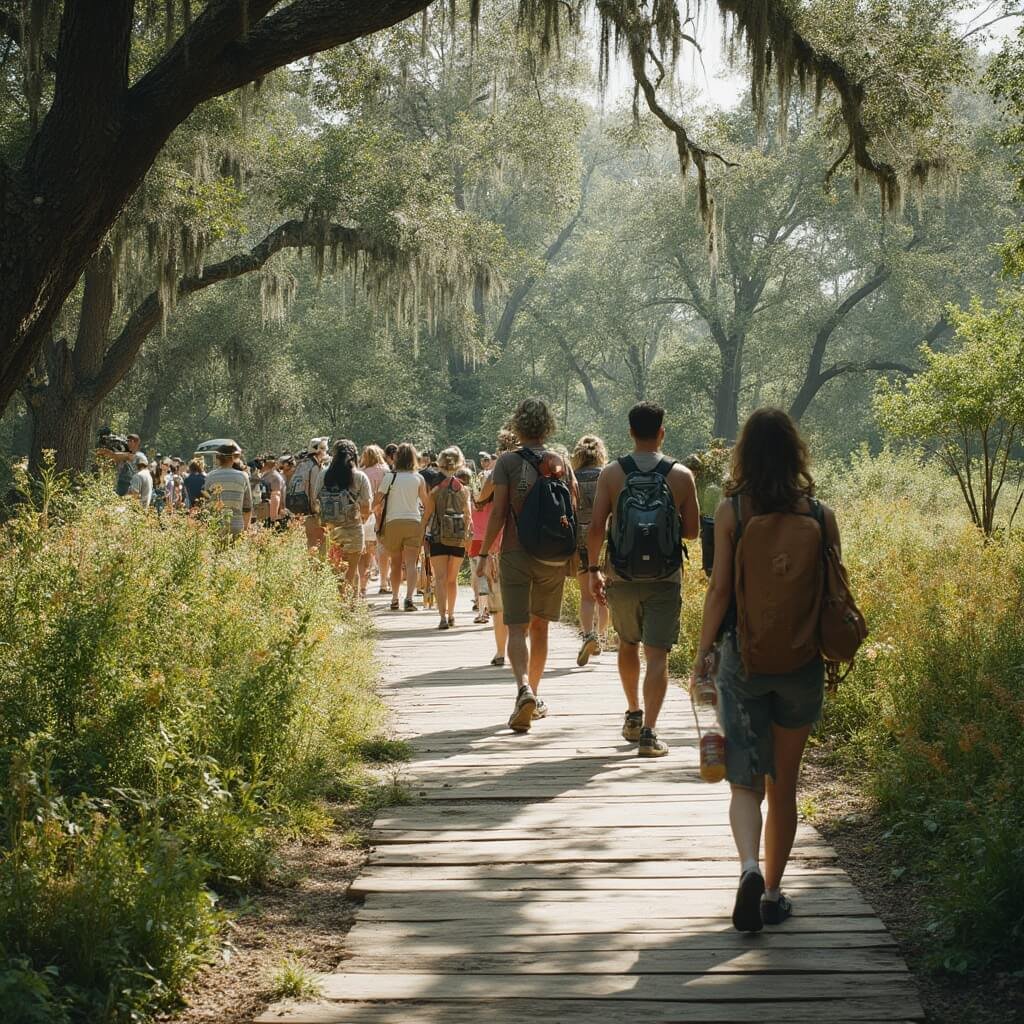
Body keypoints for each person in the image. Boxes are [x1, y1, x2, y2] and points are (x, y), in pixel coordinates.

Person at [691, 408, 839, 933]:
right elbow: (833, 594)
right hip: (801, 664)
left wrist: (704, 651)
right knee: (786, 785)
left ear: (745, 454)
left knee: (745, 782)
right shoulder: (820, 515)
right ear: (795, 452)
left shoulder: (731, 510)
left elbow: (721, 590)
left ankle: (748, 869)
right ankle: (774, 895)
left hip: (743, 660)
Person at [589, 402, 699, 758]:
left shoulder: (612, 473)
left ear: (630, 432)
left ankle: (633, 714)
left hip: (620, 575)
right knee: (657, 656)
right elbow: (693, 532)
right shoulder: (681, 475)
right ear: (662, 432)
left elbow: (595, 529)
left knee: (626, 644)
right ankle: (650, 733)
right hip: (666, 578)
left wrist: (593, 571)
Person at [477, 398, 577, 733]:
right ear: (547, 425)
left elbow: (499, 512)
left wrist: (482, 554)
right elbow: (572, 510)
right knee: (541, 628)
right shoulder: (560, 461)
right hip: (552, 557)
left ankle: (523, 690)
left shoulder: (507, 461)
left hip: (515, 552)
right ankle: (537, 694)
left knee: (516, 627)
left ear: (518, 425)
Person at [421, 448, 473, 630]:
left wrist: (421, 536)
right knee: (453, 579)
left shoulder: (435, 491)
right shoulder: (464, 490)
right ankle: (452, 615)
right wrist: (467, 538)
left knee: (440, 578)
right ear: (459, 464)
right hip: (458, 538)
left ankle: (442, 617)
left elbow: (427, 515)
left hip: (438, 537)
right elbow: (468, 516)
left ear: (440, 465)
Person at [374, 443, 429, 612]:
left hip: (393, 523)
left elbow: (377, 500)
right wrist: (425, 521)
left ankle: (394, 598)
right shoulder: (418, 478)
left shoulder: (390, 477)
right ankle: (409, 599)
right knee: (411, 563)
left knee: (395, 563)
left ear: (397, 458)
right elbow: (427, 504)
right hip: (413, 522)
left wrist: (375, 515)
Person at [571, 435, 611, 666]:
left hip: (579, 539)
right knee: (604, 594)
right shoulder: (607, 475)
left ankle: (588, 635)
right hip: (604, 539)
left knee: (586, 595)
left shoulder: (572, 478)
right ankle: (602, 636)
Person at [316, 439, 371, 592]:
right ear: (354, 456)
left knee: (336, 571)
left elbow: (316, 501)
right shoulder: (359, 477)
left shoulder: (323, 475)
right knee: (351, 572)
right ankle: (348, 607)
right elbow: (366, 507)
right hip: (353, 528)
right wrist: (361, 517)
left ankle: (341, 605)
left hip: (330, 530)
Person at [203, 442, 253, 539]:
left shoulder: (210, 476)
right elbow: (247, 507)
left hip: (216, 526)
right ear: (233, 458)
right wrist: (245, 529)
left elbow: (206, 503)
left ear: (218, 459)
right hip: (237, 525)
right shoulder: (243, 476)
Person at [360, 445, 389, 596]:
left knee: (366, 550)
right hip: (385, 514)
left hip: (367, 514)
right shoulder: (387, 471)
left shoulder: (362, 472)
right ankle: (384, 582)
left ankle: (362, 586)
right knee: (383, 549)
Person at [261, 455, 286, 525]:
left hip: (275, 515)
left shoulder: (274, 477)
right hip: (269, 513)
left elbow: (276, 497)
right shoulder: (268, 475)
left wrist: (273, 518)